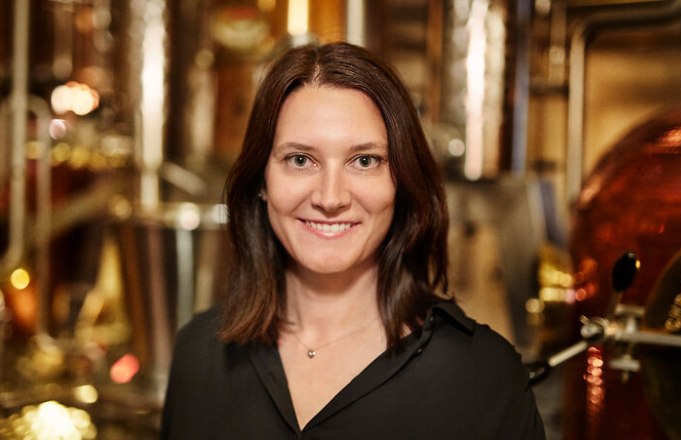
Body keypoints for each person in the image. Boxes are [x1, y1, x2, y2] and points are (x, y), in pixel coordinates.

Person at [160, 41, 545, 439]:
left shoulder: (482, 377)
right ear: (262, 180)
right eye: (300, 160)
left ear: (402, 182)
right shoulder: (200, 354)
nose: (330, 198)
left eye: (364, 161)